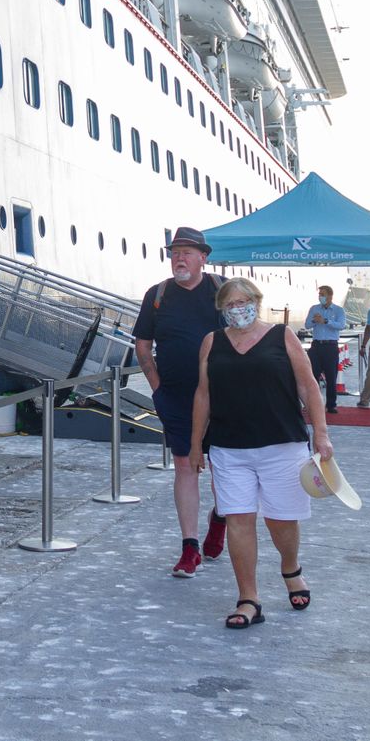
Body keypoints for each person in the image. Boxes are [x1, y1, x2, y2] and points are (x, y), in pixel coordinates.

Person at [190, 277, 334, 630]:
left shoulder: (281, 336)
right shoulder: (212, 342)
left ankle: (290, 568)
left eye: (243, 301)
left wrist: (322, 434)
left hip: (281, 444)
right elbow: (203, 395)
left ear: (256, 301)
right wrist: (196, 444)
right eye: (230, 304)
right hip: (229, 447)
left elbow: (308, 386)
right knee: (238, 519)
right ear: (222, 310)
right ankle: (248, 598)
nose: (237, 308)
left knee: (281, 519)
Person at [133, 226, 228, 578]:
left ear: (204, 257)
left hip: (223, 397)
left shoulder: (222, 291)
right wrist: (157, 388)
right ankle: (190, 548)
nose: (179, 258)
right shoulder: (157, 295)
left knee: (224, 466)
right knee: (186, 466)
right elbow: (143, 345)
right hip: (175, 397)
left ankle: (220, 517)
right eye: (174, 252)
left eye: (187, 252)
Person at [302, 286, 344, 414]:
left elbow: (341, 325)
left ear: (330, 296)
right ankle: (312, 403)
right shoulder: (314, 308)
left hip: (330, 346)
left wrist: (326, 321)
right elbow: (307, 325)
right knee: (312, 376)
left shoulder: (338, 310)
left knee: (331, 376)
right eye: (320, 294)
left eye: (323, 294)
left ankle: (331, 405)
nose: (320, 297)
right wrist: (315, 320)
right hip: (316, 346)